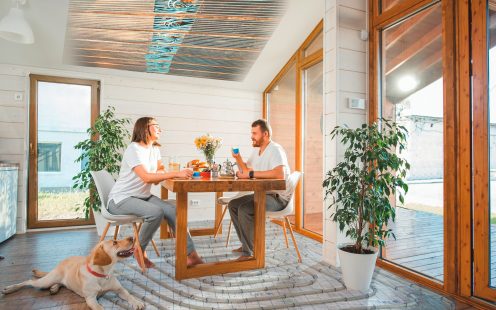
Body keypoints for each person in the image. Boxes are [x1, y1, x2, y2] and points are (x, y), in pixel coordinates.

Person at [107, 117, 203, 269]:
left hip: (142, 196)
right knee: (156, 212)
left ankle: (191, 255)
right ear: (145, 128)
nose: (160, 129)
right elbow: (146, 177)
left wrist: (163, 174)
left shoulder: (155, 149)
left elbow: (160, 169)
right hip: (121, 199)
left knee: (172, 211)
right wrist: (175, 174)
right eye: (156, 126)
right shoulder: (134, 149)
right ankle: (138, 250)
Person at [228, 119, 291, 261]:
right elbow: (246, 170)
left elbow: (279, 174)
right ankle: (246, 244)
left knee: (245, 209)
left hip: (278, 198)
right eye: (252, 133)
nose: (252, 136)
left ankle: (249, 253)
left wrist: (251, 174)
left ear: (265, 134)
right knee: (233, 205)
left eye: (255, 133)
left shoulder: (275, 149)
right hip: (263, 193)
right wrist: (237, 158)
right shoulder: (257, 150)